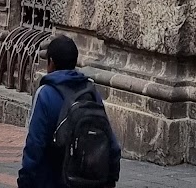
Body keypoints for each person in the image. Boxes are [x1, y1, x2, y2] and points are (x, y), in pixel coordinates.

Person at [18, 32, 120, 188]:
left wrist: (25, 179)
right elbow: (111, 141)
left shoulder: (45, 94)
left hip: (51, 181)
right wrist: (111, 178)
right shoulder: (90, 90)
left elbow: (34, 144)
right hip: (86, 180)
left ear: (51, 62)